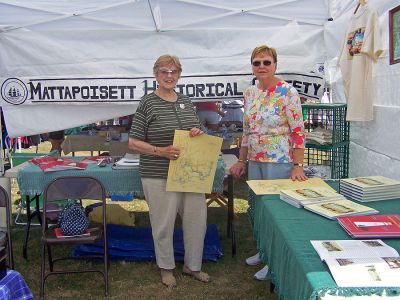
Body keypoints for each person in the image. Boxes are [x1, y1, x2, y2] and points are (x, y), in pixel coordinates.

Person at [128, 54, 210, 288]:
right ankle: (166, 268)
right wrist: (160, 151)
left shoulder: (185, 100)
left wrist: (197, 131)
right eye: (164, 71)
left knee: (197, 220)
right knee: (163, 223)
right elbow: (133, 142)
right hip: (157, 173)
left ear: (179, 75)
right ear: (156, 75)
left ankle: (193, 266)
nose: (169, 76)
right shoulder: (147, 102)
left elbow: (196, 128)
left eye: (174, 71)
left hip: (189, 173)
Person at [230, 45, 307, 280]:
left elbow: (298, 132)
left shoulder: (287, 92)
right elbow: (246, 130)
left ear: (275, 64)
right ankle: (264, 250)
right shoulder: (249, 93)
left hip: (280, 159)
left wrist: (298, 165)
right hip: (255, 159)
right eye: (257, 63)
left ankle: (275, 261)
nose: (261, 66)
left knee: (276, 211)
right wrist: (241, 159)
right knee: (259, 209)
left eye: (266, 62)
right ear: (252, 67)